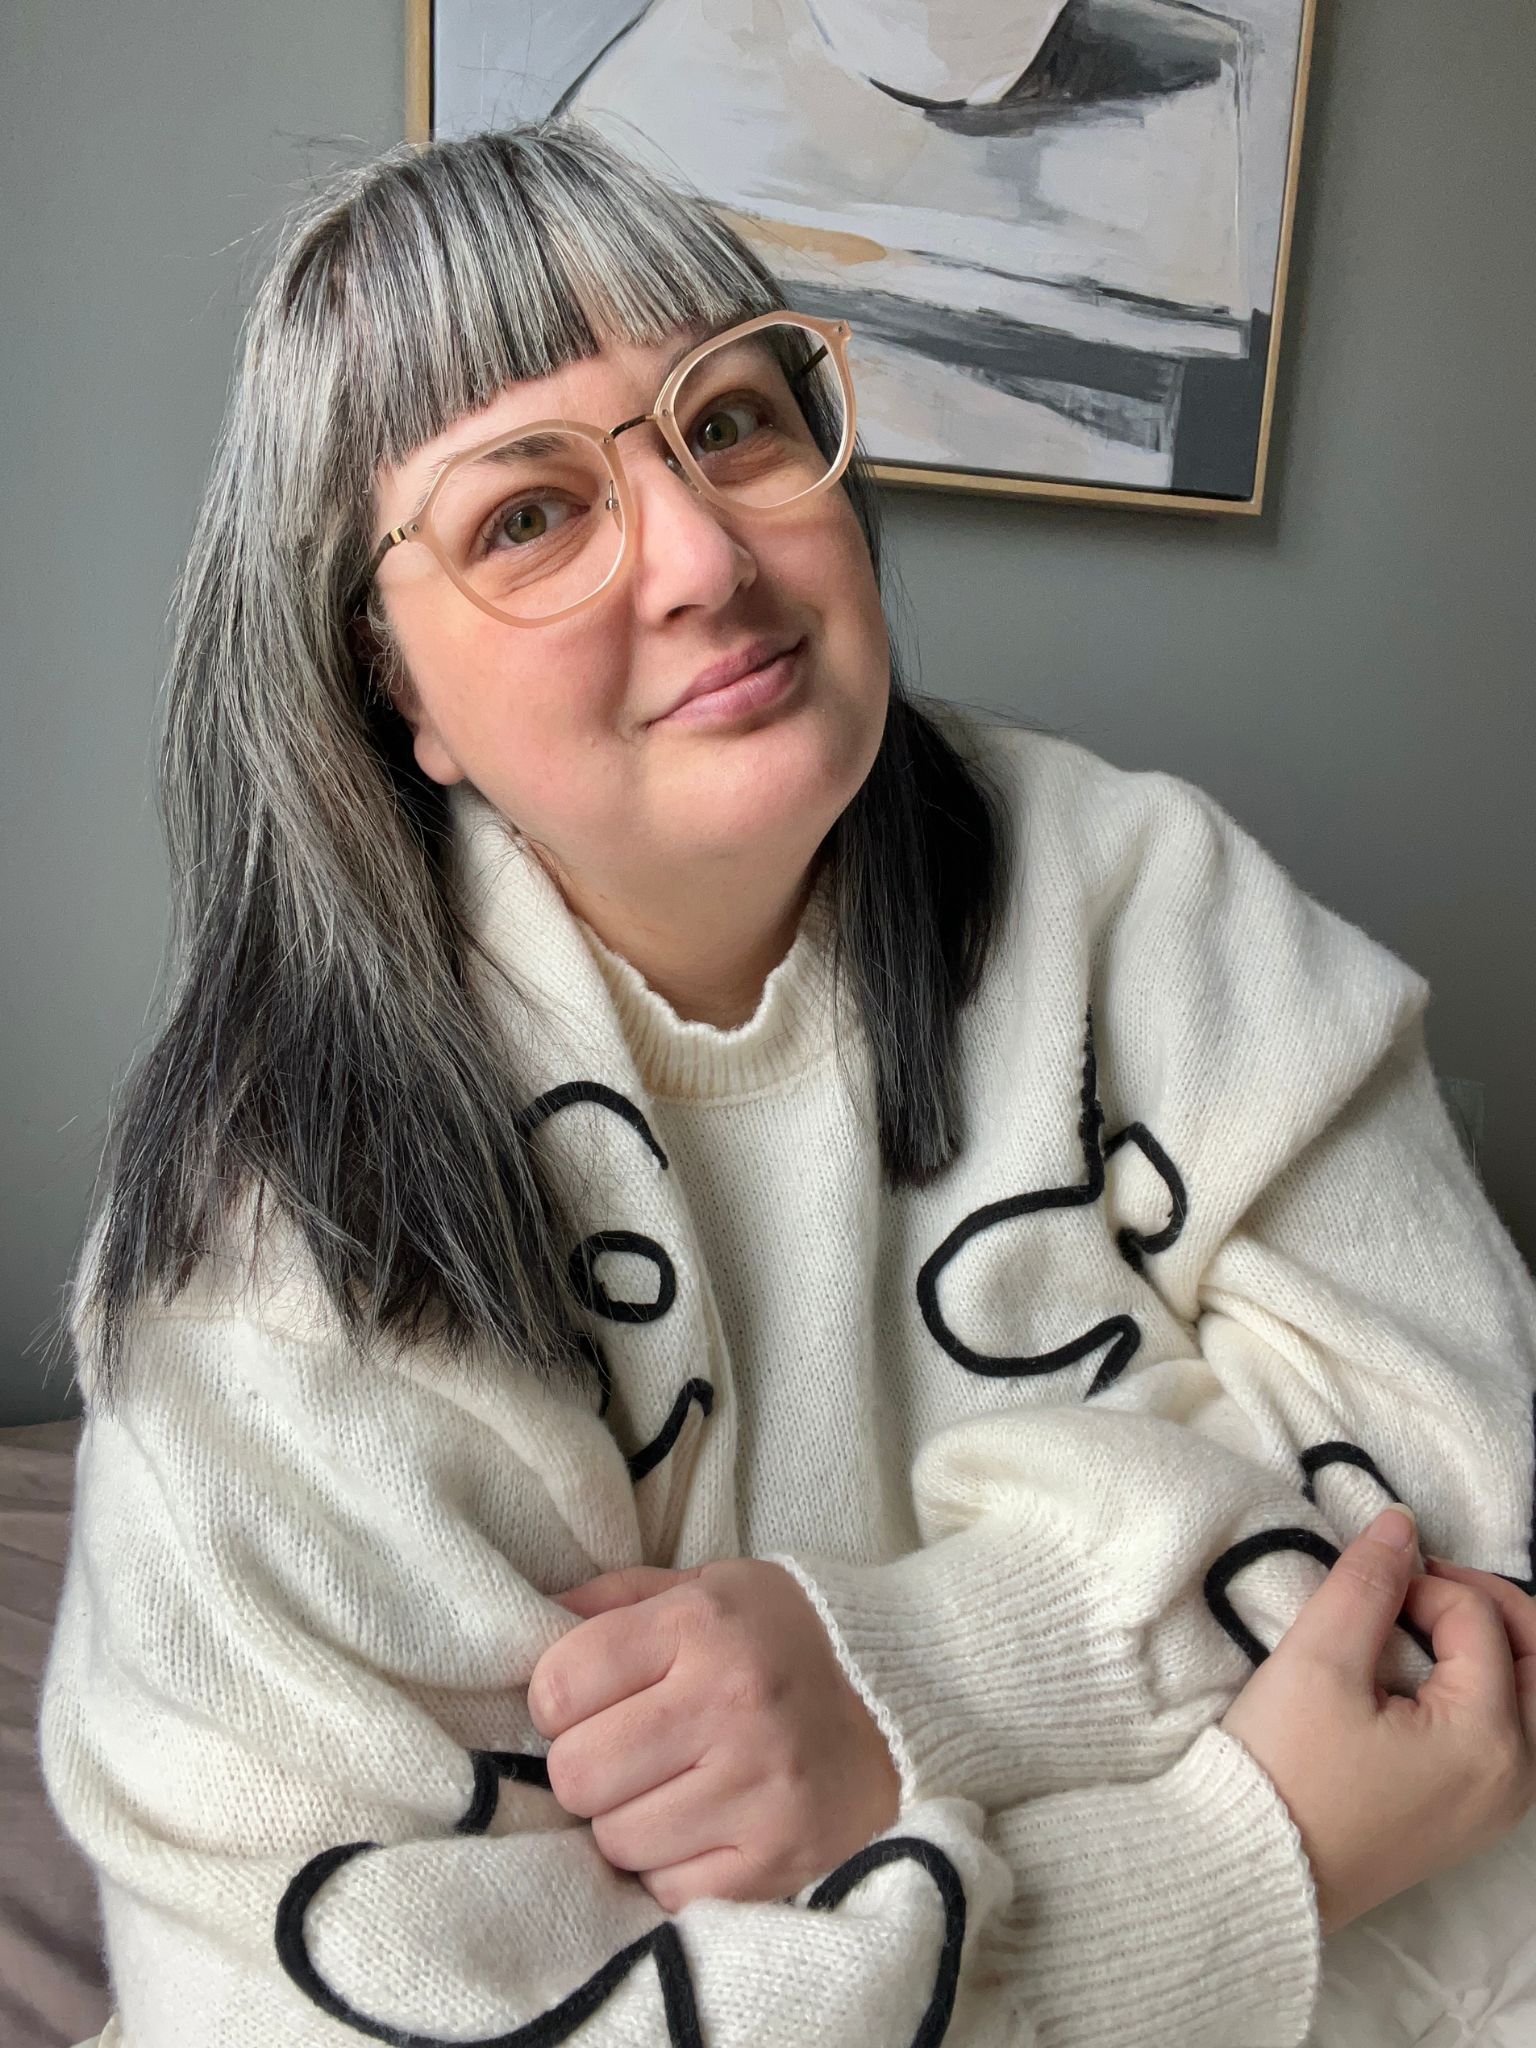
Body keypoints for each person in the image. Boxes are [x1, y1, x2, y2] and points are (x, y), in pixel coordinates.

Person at [37, 120, 1536, 2048]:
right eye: (527, 516)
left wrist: (920, 1678)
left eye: (731, 420)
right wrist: (1247, 1866)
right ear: (392, 692)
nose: (704, 557)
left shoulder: (1145, 890)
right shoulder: (277, 1248)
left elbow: (1473, 1504)